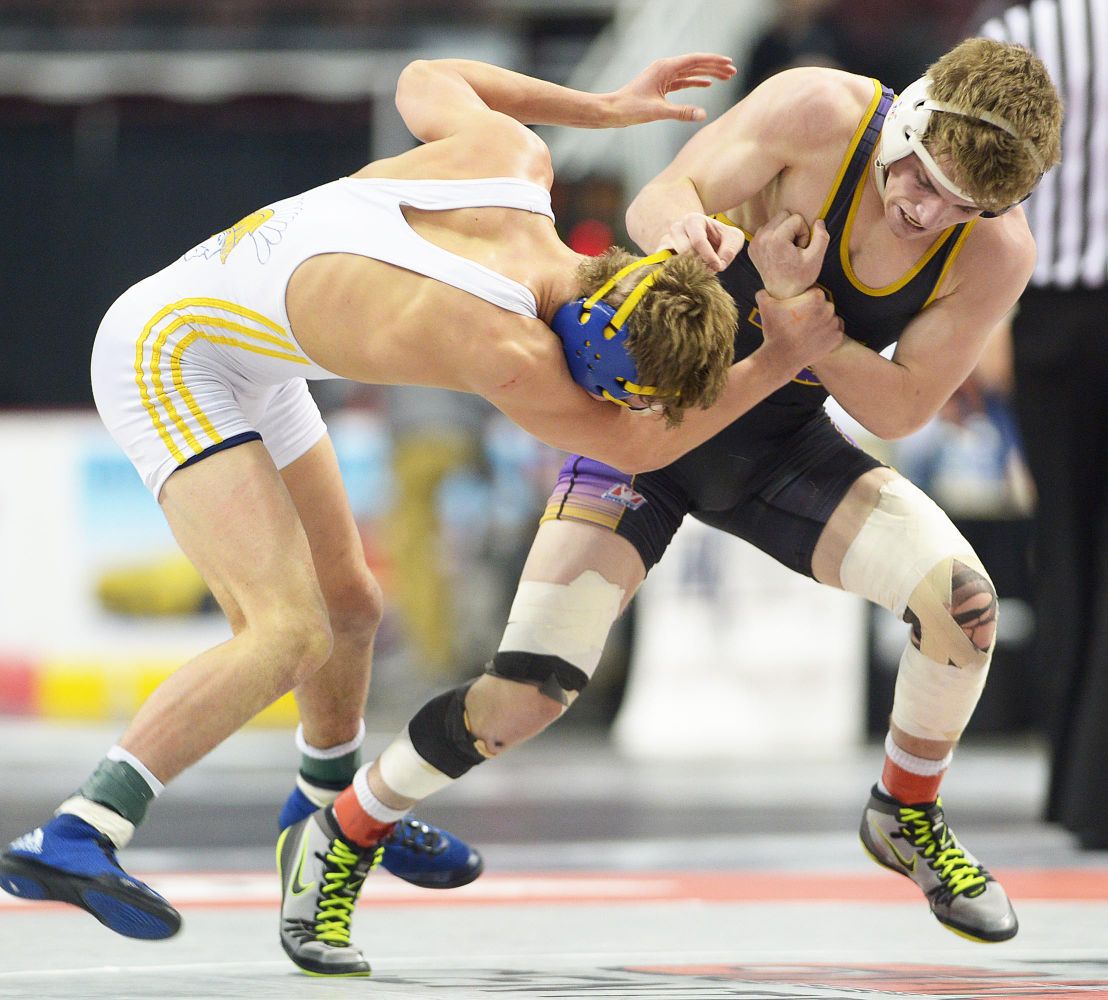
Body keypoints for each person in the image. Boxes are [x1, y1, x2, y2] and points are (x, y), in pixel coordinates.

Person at [0, 53, 845, 971]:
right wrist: (778, 356)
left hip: (249, 350)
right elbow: (638, 448)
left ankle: (320, 807)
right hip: (168, 351)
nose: (609, 404)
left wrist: (604, 109)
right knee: (286, 633)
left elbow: (424, 74)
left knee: (353, 607)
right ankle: (77, 833)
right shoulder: (506, 345)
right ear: (598, 355)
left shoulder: (513, 160)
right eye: (621, 390)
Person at [307, 34, 1064, 968]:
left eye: (962, 205)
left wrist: (800, 328)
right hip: (647, 421)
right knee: (528, 694)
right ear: (905, 120)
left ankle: (906, 810)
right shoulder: (819, 114)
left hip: (775, 446)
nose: (926, 211)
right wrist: (687, 237)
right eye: (922, 179)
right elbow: (660, 195)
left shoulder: (995, 250)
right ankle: (342, 830)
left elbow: (903, 406)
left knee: (961, 605)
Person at [976, 0, 1108, 849]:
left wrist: (973, 325)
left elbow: (973, 193)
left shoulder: (1010, 39)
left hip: (1049, 319)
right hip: (1049, 314)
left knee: (1061, 544)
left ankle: (1075, 787)